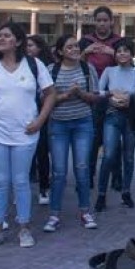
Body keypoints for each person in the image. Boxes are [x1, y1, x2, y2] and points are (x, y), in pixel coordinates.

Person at [0, 23, 57, 249]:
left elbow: (50, 94)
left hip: (25, 133)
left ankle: (24, 228)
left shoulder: (34, 65)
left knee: (20, 181)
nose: (0, 39)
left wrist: (40, 121)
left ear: (18, 41)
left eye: (6, 36)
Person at [43, 35, 99, 232]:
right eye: (69, 47)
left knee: (82, 168)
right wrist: (66, 95)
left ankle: (85, 211)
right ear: (60, 52)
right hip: (58, 124)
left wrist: (81, 94)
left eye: (76, 46)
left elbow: (95, 98)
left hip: (83, 123)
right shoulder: (51, 71)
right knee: (58, 171)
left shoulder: (87, 69)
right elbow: (45, 100)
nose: (74, 49)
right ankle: (54, 214)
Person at [94, 38, 135, 212]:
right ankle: (101, 194)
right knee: (108, 156)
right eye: (119, 51)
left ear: (131, 54)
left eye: (126, 50)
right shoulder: (109, 71)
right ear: (115, 54)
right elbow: (98, 92)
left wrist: (130, 100)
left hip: (131, 118)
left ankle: (126, 192)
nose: (122, 54)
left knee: (129, 157)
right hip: (112, 116)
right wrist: (110, 94)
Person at [78, 6, 122, 191]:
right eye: (99, 20)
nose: (102, 23)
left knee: (113, 140)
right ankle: (89, 176)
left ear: (111, 21)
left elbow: (126, 62)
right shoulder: (85, 41)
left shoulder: (119, 41)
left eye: (105, 20)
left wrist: (112, 53)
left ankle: (116, 178)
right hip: (92, 95)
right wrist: (86, 51)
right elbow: (74, 62)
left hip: (113, 94)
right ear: (94, 21)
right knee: (93, 137)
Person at [26, 34, 55, 205]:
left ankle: (44, 188)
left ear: (39, 48)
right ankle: (23, 188)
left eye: (31, 45)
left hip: (42, 111)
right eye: (26, 45)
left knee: (42, 152)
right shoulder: (19, 64)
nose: (28, 49)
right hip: (24, 112)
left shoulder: (46, 66)